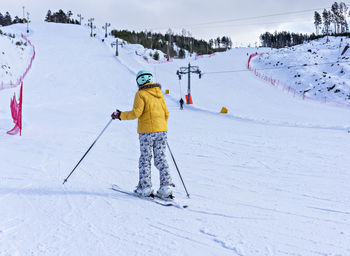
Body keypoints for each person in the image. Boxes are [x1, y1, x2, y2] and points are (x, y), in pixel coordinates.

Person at [111, 70, 174, 199]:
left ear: (139, 81)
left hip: (147, 132)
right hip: (162, 130)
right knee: (161, 157)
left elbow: (136, 113)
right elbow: (166, 113)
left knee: (145, 158)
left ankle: (145, 188)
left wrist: (120, 115)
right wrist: (161, 127)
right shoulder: (159, 94)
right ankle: (165, 187)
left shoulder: (140, 94)